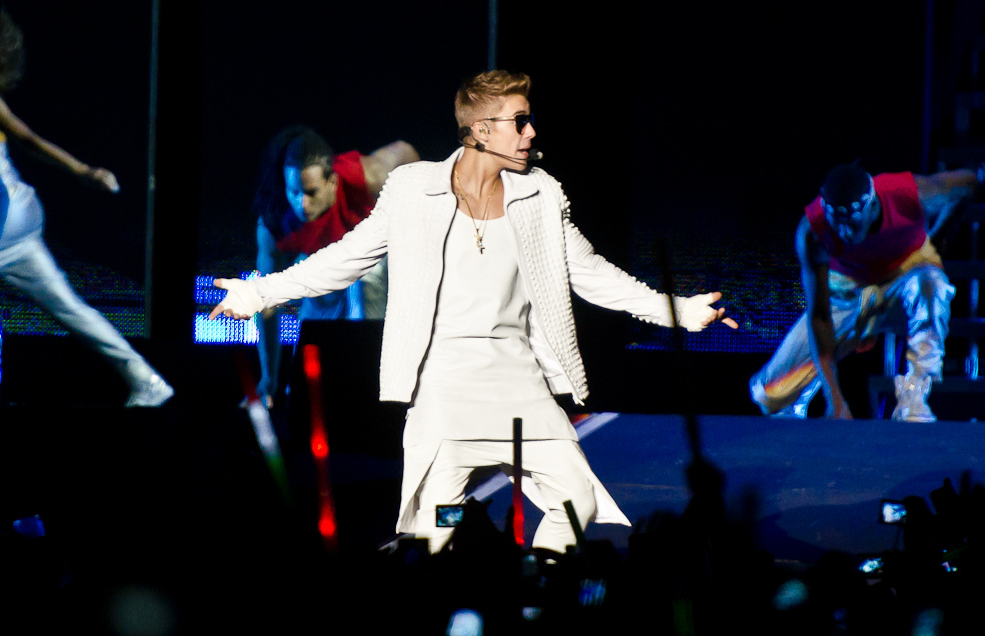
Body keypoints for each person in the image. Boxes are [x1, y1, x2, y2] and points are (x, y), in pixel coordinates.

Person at [211, 70, 736, 553]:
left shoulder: (539, 195)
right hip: (445, 389)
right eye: (520, 122)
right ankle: (447, 602)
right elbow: (348, 258)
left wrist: (677, 311)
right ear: (482, 130)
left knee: (575, 498)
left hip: (520, 383)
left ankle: (541, 598)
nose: (531, 133)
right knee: (436, 529)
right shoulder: (415, 191)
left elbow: (590, 271)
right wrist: (261, 293)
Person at [0, 8, 171, 406]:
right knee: (67, 306)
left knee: (66, 303)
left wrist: (84, 170)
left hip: (2, 215)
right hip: (19, 215)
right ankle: (146, 378)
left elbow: (28, 138)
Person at [750, 162, 983, 421]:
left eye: (851, 224)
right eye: (837, 225)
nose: (845, 233)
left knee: (931, 283)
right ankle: (795, 408)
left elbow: (969, 184)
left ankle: (914, 396)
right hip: (849, 299)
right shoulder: (812, 231)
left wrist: (938, 238)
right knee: (768, 394)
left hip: (902, 290)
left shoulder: (907, 194)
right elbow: (819, 316)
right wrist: (835, 399)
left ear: (872, 207)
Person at [251, 126, 417, 407]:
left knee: (364, 293)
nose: (301, 204)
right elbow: (266, 303)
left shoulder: (366, 176)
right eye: (294, 192)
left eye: (311, 192)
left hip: (370, 251)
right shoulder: (274, 221)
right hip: (323, 260)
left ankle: (375, 390)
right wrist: (269, 377)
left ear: (333, 183)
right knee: (315, 334)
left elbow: (405, 150)